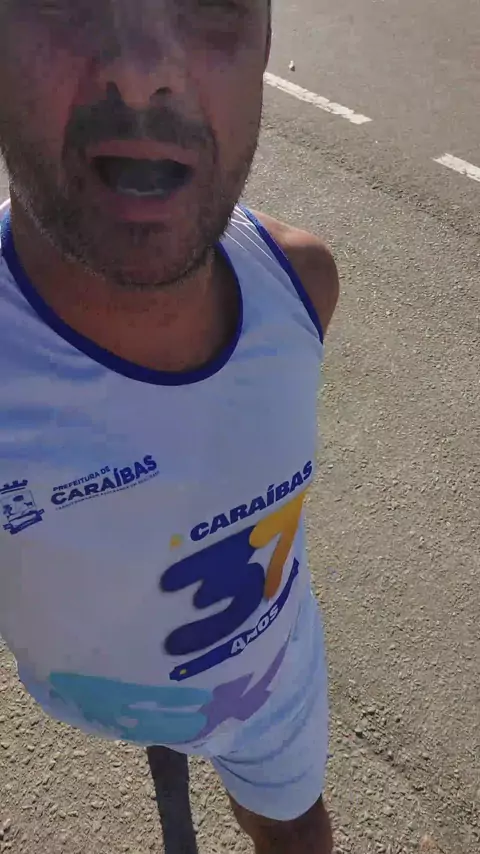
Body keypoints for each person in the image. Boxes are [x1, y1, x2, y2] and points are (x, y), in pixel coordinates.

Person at [0, 1, 339, 852]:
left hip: (271, 693)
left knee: (296, 832)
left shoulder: (302, 283)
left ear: (266, 43)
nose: (142, 68)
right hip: (92, 700)